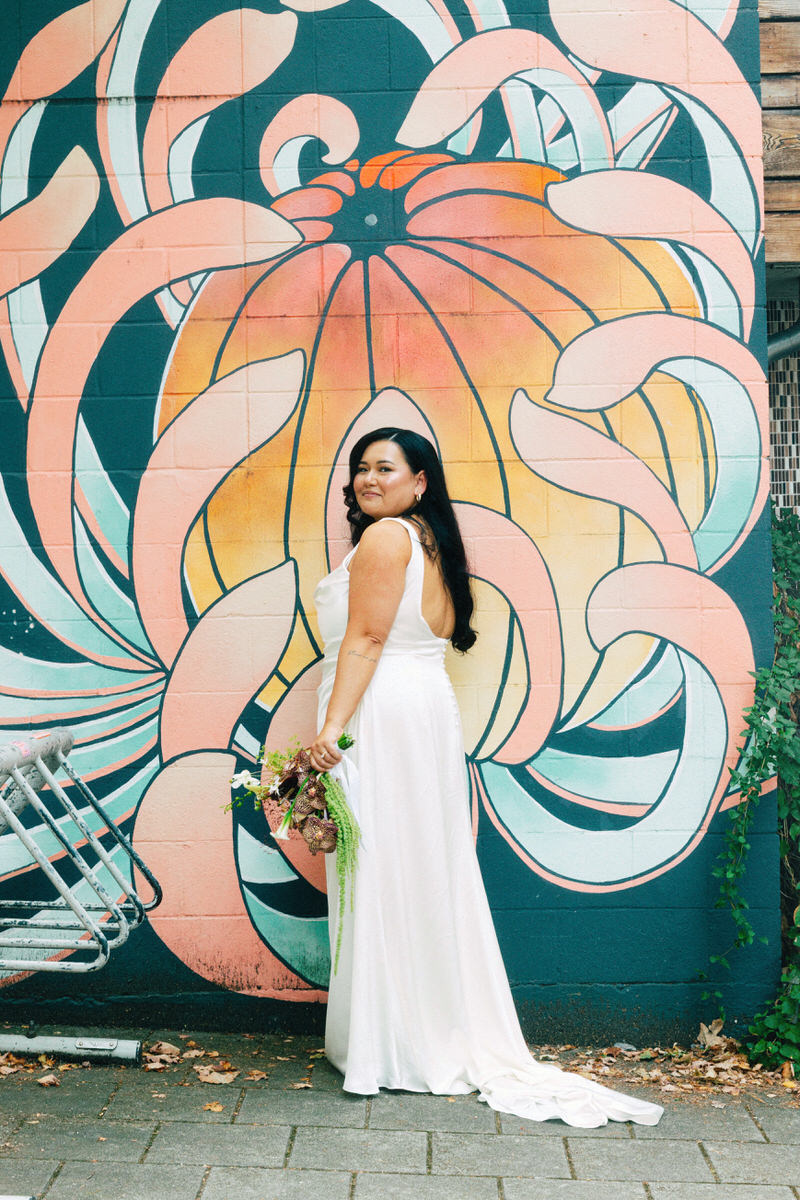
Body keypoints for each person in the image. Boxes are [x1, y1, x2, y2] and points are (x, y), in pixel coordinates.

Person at [310, 427, 663, 1128]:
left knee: (382, 862)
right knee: (418, 865)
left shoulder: (386, 540)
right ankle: (418, 1030)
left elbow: (368, 639)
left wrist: (331, 732)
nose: (367, 479)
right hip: (421, 709)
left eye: (385, 467)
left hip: (380, 711)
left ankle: (392, 1043)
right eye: (359, 469)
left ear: (421, 481)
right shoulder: (428, 543)